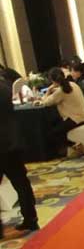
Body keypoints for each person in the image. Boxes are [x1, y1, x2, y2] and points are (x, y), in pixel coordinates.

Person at [0, 78, 39, 238]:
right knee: (21, 182)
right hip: (12, 139)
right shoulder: (4, 85)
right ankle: (31, 218)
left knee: (21, 183)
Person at [36, 68, 84, 158]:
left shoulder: (61, 91)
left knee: (53, 133)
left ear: (53, 81)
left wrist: (48, 91)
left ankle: (76, 145)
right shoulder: (73, 84)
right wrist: (55, 91)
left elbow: (46, 102)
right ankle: (67, 149)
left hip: (76, 119)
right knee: (57, 125)